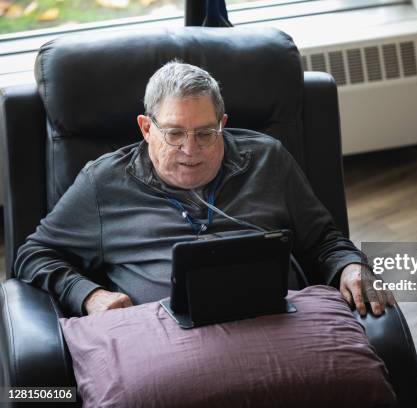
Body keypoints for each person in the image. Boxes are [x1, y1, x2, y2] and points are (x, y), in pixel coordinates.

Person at [15, 61, 391, 317]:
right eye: (174, 133)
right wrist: (90, 296)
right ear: (147, 128)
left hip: (280, 321)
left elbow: (324, 239)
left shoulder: (267, 159)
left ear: (223, 124)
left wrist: (350, 266)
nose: (190, 150)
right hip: (168, 342)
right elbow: (34, 254)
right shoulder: (103, 182)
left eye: (206, 133)